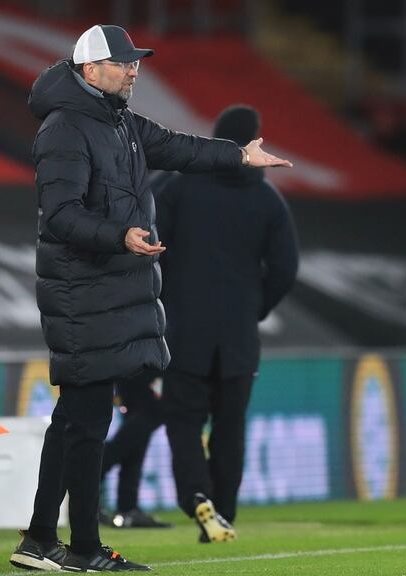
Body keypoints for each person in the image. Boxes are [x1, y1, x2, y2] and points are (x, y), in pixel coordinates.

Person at [10, 26, 291, 572]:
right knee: (86, 422)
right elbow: (61, 216)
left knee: (75, 421)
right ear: (90, 71)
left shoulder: (121, 125)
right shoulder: (65, 129)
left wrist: (238, 156)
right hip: (82, 293)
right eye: (122, 63)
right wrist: (120, 236)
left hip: (106, 292)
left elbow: (182, 148)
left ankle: (42, 539)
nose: (134, 70)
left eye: (135, 62)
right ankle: (83, 548)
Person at [157, 105, 299, 543]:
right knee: (230, 428)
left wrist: (161, 304)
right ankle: (224, 513)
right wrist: (254, 307)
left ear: (216, 139)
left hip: (184, 331)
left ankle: (197, 495)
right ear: (253, 139)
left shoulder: (178, 188)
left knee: (182, 421)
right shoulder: (267, 198)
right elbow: (285, 267)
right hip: (238, 336)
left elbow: (150, 248)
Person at [98, 370, 172, 529]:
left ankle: (128, 507)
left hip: (135, 365)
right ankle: (92, 473)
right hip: (140, 365)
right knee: (149, 415)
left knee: (138, 433)